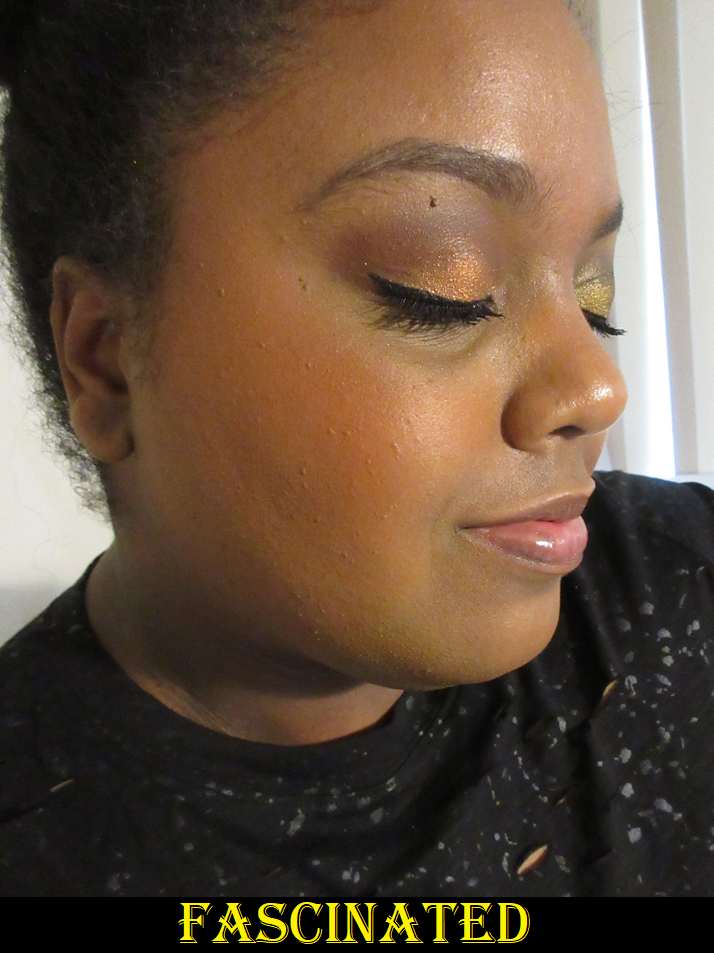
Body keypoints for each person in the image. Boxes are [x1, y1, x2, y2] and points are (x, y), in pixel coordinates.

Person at [0, 0, 712, 899]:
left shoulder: (681, 584)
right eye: (443, 286)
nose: (598, 387)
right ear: (106, 361)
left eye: (592, 293)